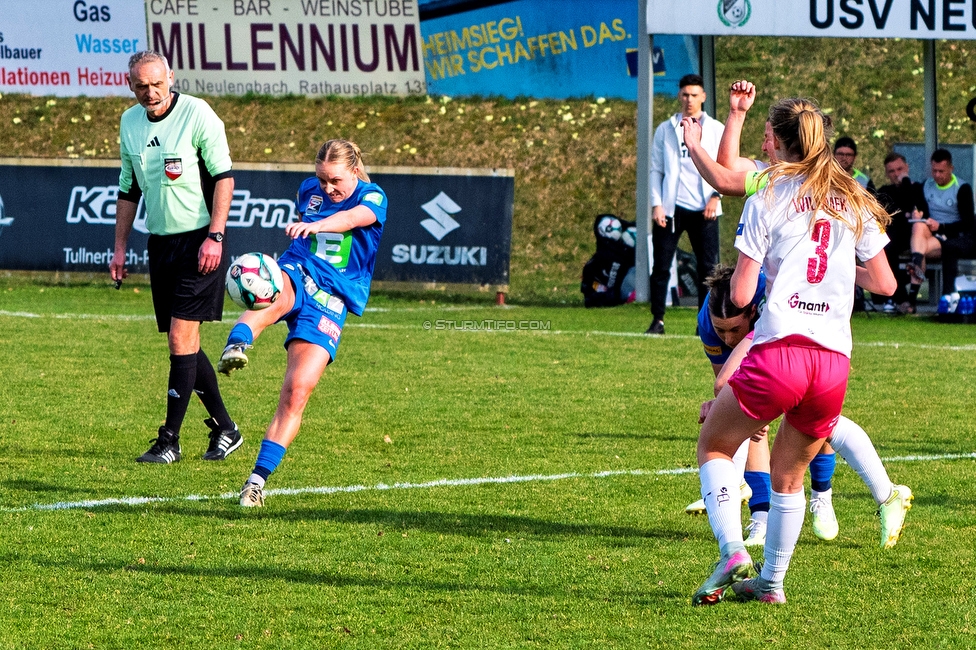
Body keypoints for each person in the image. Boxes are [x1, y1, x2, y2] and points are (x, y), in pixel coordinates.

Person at [686, 96, 913, 606]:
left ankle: (730, 551)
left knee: (716, 446)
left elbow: (741, 296)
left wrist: (775, 269)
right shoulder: (850, 194)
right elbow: (885, 283)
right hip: (834, 362)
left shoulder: (769, 192)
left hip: (781, 348)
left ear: (781, 141)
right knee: (790, 475)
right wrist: (835, 271)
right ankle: (770, 584)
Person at [217, 140, 387, 508]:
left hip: (333, 299)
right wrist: (311, 227)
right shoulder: (308, 190)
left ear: (354, 170)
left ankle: (256, 482)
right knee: (275, 293)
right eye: (321, 179)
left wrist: (319, 225)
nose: (326, 188)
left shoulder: (373, 197)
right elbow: (319, 213)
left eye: (335, 180)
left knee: (297, 391)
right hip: (299, 269)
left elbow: (352, 219)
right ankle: (237, 343)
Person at [110, 50, 241, 464]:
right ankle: (226, 428)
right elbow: (128, 188)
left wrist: (215, 236)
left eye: (157, 83)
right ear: (130, 85)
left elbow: (223, 177)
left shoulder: (199, 114)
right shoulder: (129, 123)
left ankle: (169, 440)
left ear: (171, 76)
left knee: (181, 340)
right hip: (162, 243)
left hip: (201, 241)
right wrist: (119, 247)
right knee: (185, 343)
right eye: (141, 86)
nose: (150, 93)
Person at [646, 74, 725, 335]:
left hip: (705, 207)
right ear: (679, 96)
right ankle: (658, 320)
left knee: (708, 268)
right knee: (661, 265)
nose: (689, 100)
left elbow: (724, 165)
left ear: (703, 97)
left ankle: (704, 324)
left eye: (694, 95)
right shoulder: (666, 128)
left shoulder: (715, 128)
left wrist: (716, 195)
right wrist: (657, 204)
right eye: (685, 95)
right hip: (672, 208)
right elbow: (656, 169)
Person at [904, 149, 975, 313]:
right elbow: (920, 209)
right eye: (934, 170)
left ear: (951, 168)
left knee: (919, 250)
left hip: (950, 236)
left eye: (941, 171)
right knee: (918, 225)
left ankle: (911, 299)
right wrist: (918, 213)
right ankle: (916, 262)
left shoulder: (962, 188)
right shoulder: (926, 185)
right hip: (928, 233)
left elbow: (967, 224)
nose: (937, 175)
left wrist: (941, 226)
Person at [875, 153, 928, 313]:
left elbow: (919, 208)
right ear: (886, 173)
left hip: (914, 236)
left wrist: (906, 182)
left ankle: (905, 300)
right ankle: (900, 299)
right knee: (885, 249)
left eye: (900, 169)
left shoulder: (917, 188)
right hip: (893, 236)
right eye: (892, 171)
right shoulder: (884, 191)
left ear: (907, 168)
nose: (897, 174)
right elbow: (886, 214)